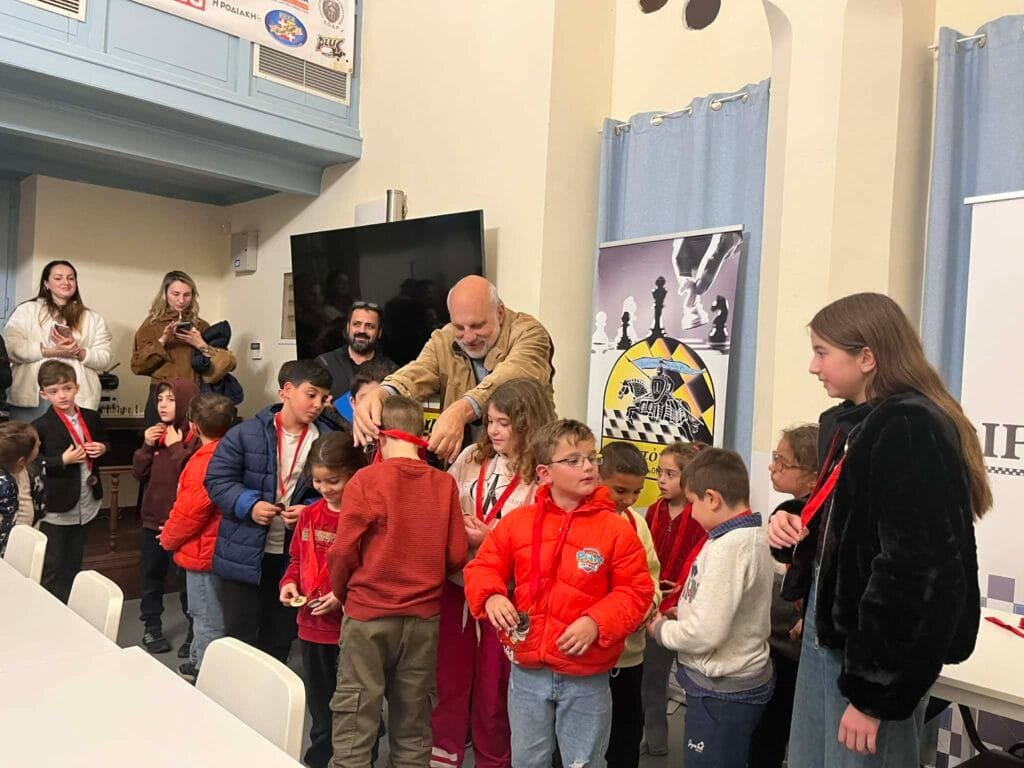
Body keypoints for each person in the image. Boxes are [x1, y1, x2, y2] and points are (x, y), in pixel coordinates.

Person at [768, 293, 988, 767]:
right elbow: (854, 519)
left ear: (866, 357)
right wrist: (792, 518)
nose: (813, 367)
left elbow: (916, 572)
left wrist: (873, 694)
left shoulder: (909, 426)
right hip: (832, 645)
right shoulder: (855, 425)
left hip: (869, 657)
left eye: (822, 352)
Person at [463, 420, 653, 768]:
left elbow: (636, 591)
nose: (588, 466)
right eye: (574, 460)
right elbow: (483, 566)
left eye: (591, 458)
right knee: (528, 760)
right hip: (527, 672)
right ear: (545, 473)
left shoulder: (616, 530)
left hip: (587, 675)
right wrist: (491, 596)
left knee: (584, 762)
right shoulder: (518, 522)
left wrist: (596, 622)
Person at [326, 395, 468, 768]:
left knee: (356, 717)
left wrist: (343, 593)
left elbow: (342, 552)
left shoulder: (365, 480)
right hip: (423, 619)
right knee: (414, 720)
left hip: (368, 616)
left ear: (380, 434)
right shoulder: (444, 484)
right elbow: (456, 553)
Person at [431, 378, 556, 768]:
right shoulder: (473, 456)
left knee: (494, 688)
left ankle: (493, 760)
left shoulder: (542, 475)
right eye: (491, 422)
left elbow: (545, 544)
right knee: (448, 678)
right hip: (459, 585)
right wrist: (458, 527)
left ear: (528, 423)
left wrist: (491, 539)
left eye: (505, 423)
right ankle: (444, 754)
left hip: (507, 595)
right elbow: (444, 503)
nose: (495, 431)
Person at [205, 359, 341, 663]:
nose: (317, 405)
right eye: (311, 394)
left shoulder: (326, 440)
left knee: (280, 635)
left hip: (293, 554)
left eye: (323, 398)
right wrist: (249, 505)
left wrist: (309, 511)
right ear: (286, 391)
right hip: (244, 551)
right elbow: (217, 479)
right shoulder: (245, 433)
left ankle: (273, 689)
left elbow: (339, 492)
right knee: (240, 634)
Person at [646, 448, 774, 768]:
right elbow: (727, 607)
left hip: (722, 692)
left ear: (712, 499)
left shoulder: (729, 548)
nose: (691, 513)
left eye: (692, 503)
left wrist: (661, 629)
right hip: (729, 686)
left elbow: (705, 634)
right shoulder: (744, 536)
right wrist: (685, 611)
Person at [353, 275, 554, 462]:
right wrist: (382, 392)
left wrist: (461, 410)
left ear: (499, 313)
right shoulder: (444, 338)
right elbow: (418, 371)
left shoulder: (530, 333)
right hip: (466, 465)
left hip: (527, 462)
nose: (468, 337)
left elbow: (512, 376)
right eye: (459, 327)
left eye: (477, 326)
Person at [279, 431, 367, 768]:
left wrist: (341, 596)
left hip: (349, 628)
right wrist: (289, 583)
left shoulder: (364, 518)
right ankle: (319, 758)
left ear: (354, 475)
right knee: (319, 704)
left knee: (352, 705)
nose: (325, 488)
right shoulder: (309, 515)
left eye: (334, 481)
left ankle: (361, 757)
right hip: (311, 627)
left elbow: (370, 572)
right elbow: (297, 560)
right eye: (317, 481)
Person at [748, 424, 819, 768]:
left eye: (781, 461)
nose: (772, 466)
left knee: (772, 732)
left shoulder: (813, 520)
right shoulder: (790, 512)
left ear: (812, 476)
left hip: (795, 650)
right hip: (777, 643)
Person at [159, 393, 237, 682]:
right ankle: (200, 661)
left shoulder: (205, 460)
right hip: (226, 546)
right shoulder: (235, 451)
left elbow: (190, 512)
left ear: (193, 426)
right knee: (214, 612)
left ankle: (205, 671)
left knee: (206, 616)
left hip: (203, 551)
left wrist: (168, 538)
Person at [641, 441, 707, 756]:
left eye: (670, 474)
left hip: (688, 612)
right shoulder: (654, 511)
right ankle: (655, 741)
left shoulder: (701, 515)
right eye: (659, 473)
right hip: (657, 612)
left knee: (695, 681)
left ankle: (699, 747)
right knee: (652, 680)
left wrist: (683, 597)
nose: (662, 480)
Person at [598, 442, 662, 768]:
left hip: (628, 655)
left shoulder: (637, 524)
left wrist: (649, 604)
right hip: (588, 656)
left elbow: (652, 578)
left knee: (625, 733)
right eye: (620, 490)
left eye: (636, 492)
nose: (628, 499)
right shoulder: (580, 522)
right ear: (597, 478)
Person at [133, 378, 200, 655]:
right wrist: (146, 446)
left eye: (171, 399)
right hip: (153, 520)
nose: (163, 405)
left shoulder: (194, 437)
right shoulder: (156, 434)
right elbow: (139, 473)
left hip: (183, 524)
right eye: (160, 399)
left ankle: (193, 634)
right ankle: (152, 627)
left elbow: (192, 475)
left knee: (186, 584)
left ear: (185, 402)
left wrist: (175, 447)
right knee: (151, 578)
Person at [31, 361, 108, 602]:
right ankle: (48, 608)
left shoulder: (91, 417)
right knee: (52, 564)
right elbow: (33, 465)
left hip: (86, 500)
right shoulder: (40, 426)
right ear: (43, 394)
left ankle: (69, 607)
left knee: (74, 561)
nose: (62, 395)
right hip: (57, 506)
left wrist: (103, 448)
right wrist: (62, 460)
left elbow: (106, 443)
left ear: (77, 387)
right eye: (53, 391)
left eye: (67, 388)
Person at [4, 260, 112, 421]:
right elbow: (11, 347)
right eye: (58, 278)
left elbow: (104, 358)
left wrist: (79, 352)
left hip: (77, 397)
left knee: (72, 437)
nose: (65, 282)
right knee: (27, 436)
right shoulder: (26, 311)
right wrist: (46, 351)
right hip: (33, 394)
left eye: (70, 278)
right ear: (46, 283)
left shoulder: (92, 318)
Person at [131, 270, 212, 425]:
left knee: (192, 439)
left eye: (187, 295)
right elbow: (137, 366)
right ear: (165, 294)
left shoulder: (201, 326)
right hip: (162, 394)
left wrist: (200, 344)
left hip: (193, 394)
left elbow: (220, 368)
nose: (181, 300)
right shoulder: (151, 325)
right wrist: (162, 341)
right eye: (176, 294)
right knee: (157, 438)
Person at [316, 302, 396, 403]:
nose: (362, 330)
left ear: (379, 332)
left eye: (370, 326)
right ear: (348, 328)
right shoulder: (324, 363)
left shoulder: (391, 372)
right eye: (356, 324)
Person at [0, 423, 39, 556]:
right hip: (11, 546)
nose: (40, 444)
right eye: (37, 445)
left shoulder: (27, 470)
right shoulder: (6, 486)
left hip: (26, 532)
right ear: (21, 461)